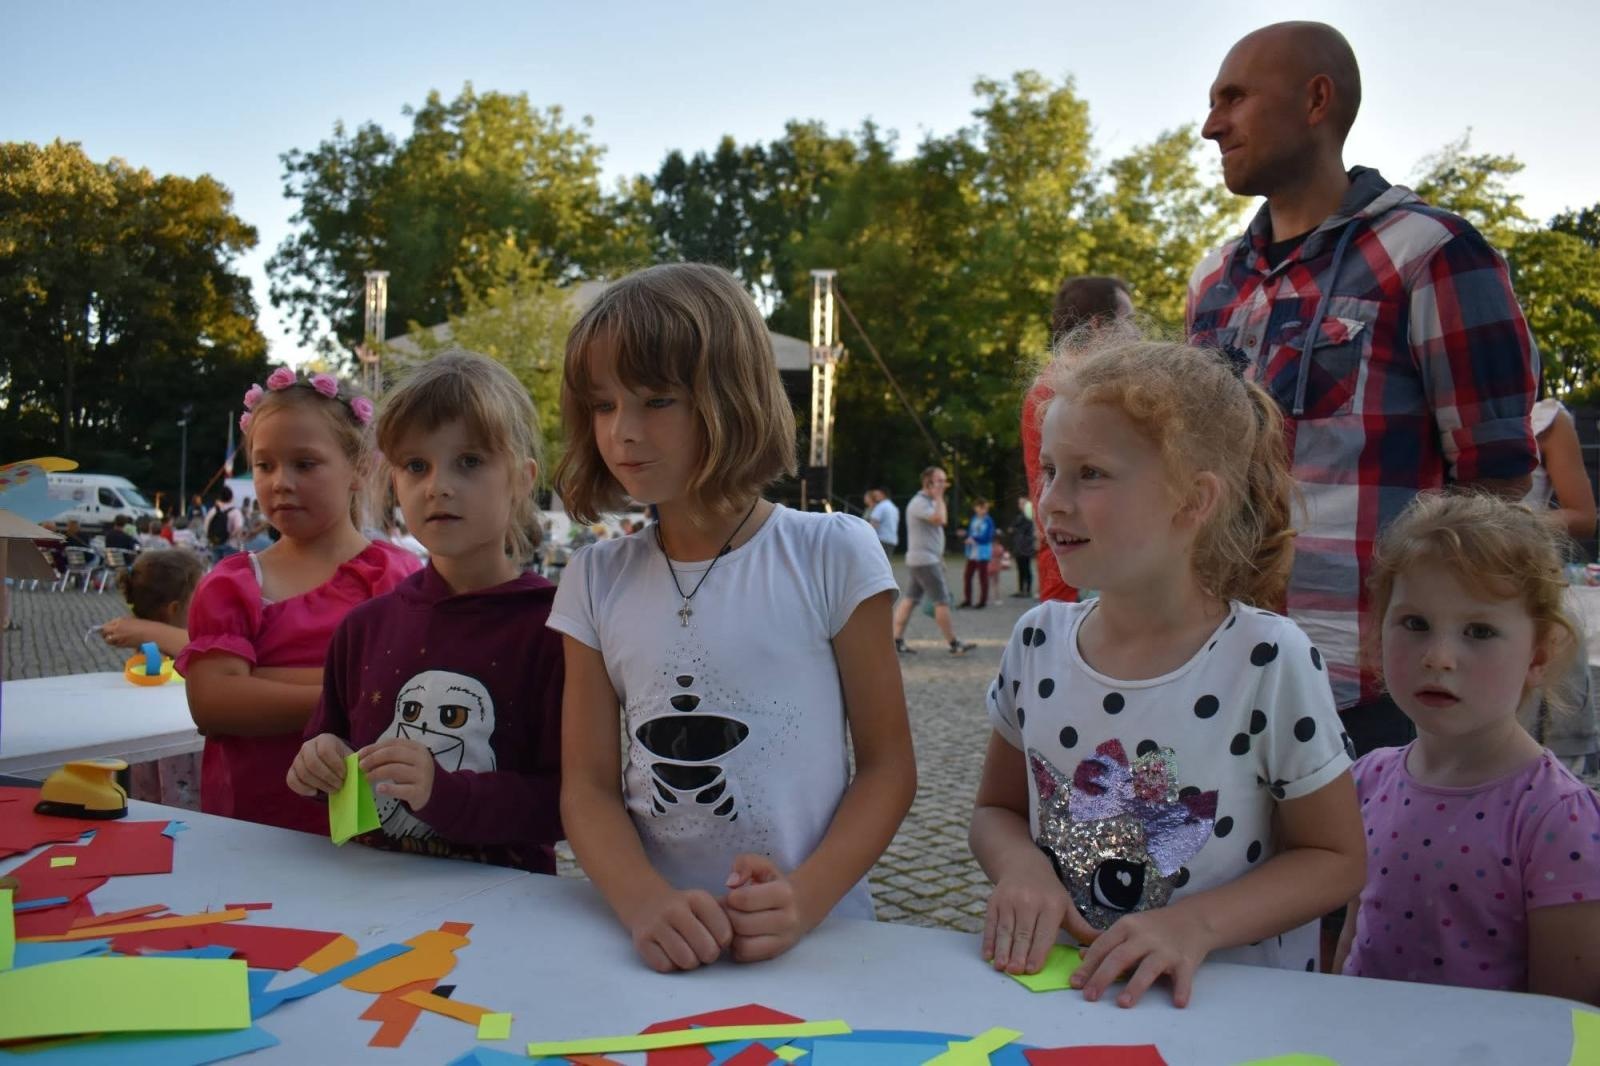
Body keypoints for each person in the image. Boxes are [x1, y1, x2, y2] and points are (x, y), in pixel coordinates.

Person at [972, 335, 1364, 1008]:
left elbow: (1336, 860)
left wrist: (1195, 925)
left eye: (1090, 473)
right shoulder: (1036, 641)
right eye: (1050, 471)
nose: (1053, 501)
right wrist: (1022, 868)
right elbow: (995, 810)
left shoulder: (1268, 660)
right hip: (1064, 1004)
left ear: (1192, 501)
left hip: (1228, 1017)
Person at [550, 263, 917, 973]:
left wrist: (805, 898)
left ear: (732, 396)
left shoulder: (831, 553)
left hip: (815, 943)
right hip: (649, 946)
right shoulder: (594, 578)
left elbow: (887, 767)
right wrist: (641, 901)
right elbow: (587, 786)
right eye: (601, 405)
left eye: (657, 400)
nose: (622, 432)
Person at [1188, 22, 1539, 758]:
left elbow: (1495, 486)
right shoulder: (1213, 284)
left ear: (1318, 99)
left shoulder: (1430, 255)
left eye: (1234, 98)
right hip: (1215, 666)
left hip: (1370, 690)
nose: (1210, 124)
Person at [289, 351, 564, 872]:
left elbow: (570, 803)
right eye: (417, 465)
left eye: (470, 461)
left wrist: (447, 792)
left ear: (523, 478)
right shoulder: (362, 629)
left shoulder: (554, 629)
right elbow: (332, 749)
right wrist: (317, 762)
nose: (438, 485)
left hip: (503, 914)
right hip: (371, 903)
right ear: (395, 482)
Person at [1332, 492, 1600, 1005]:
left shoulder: (1556, 817)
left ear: (1538, 654)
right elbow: (1350, 948)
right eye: (1415, 623)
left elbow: (1566, 1017)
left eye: (1479, 631)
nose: (1439, 657)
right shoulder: (1367, 778)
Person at [177, 367, 420, 833]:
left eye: (304, 464)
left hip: (368, 828)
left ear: (360, 469)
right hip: (251, 826)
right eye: (265, 465)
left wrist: (262, 681)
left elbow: (403, 691)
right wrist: (347, 691)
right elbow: (213, 703)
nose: (280, 482)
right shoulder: (233, 583)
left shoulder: (397, 576)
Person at [1023, 277, 1135, 607]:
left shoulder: (1048, 385)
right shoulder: (1077, 391)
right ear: (1099, 325)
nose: (1137, 332)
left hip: (1070, 563)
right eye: (1128, 320)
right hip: (1088, 566)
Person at [891, 467, 977, 656]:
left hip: (923, 560)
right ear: (928, 482)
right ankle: (954, 644)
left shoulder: (927, 501)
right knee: (942, 601)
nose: (944, 484)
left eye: (944, 480)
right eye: (939, 480)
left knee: (911, 599)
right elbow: (940, 520)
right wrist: (939, 497)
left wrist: (939, 558)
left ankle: (895, 640)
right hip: (925, 561)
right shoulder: (920, 502)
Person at [101, 548, 205, 659]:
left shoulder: (151, 649)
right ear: (174, 608)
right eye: (202, 595)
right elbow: (210, 650)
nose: (209, 602)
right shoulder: (163, 661)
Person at [959, 498, 995, 609]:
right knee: (967, 576)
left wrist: (974, 538)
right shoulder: (974, 519)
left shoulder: (988, 520)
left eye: (985, 508)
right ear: (976, 508)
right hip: (972, 552)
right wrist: (967, 537)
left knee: (982, 577)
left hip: (982, 552)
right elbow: (971, 532)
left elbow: (988, 537)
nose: (984, 510)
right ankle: (968, 600)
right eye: (981, 508)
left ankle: (982, 601)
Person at [205, 486, 246, 563]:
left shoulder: (213, 511)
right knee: (230, 571)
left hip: (215, 543)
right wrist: (228, 537)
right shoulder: (235, 512)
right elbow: (238, 528)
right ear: (231, 497)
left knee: (216, 570)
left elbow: (207, 525)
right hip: (231, 545)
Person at [1010, 496, 1037, 599]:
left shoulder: (1029, 517)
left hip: (1025, 547)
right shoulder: (1020, 516)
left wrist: (1015, 530)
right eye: (1019, 503)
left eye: (1022, 503)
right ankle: (1021, 590)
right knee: (1020, 569)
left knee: (1026, 568)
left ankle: (1028, 590)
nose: (1020, 505)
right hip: (1019, 547)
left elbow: (1024, 531)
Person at [865, 488, 899, 558]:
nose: (875, 497)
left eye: (877, 495)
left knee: (877, 564)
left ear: (882, 494)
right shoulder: (894, 507)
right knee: (886, 564)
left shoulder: (881, 506)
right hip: (892, 540)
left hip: (882, 539)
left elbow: (873, 524)